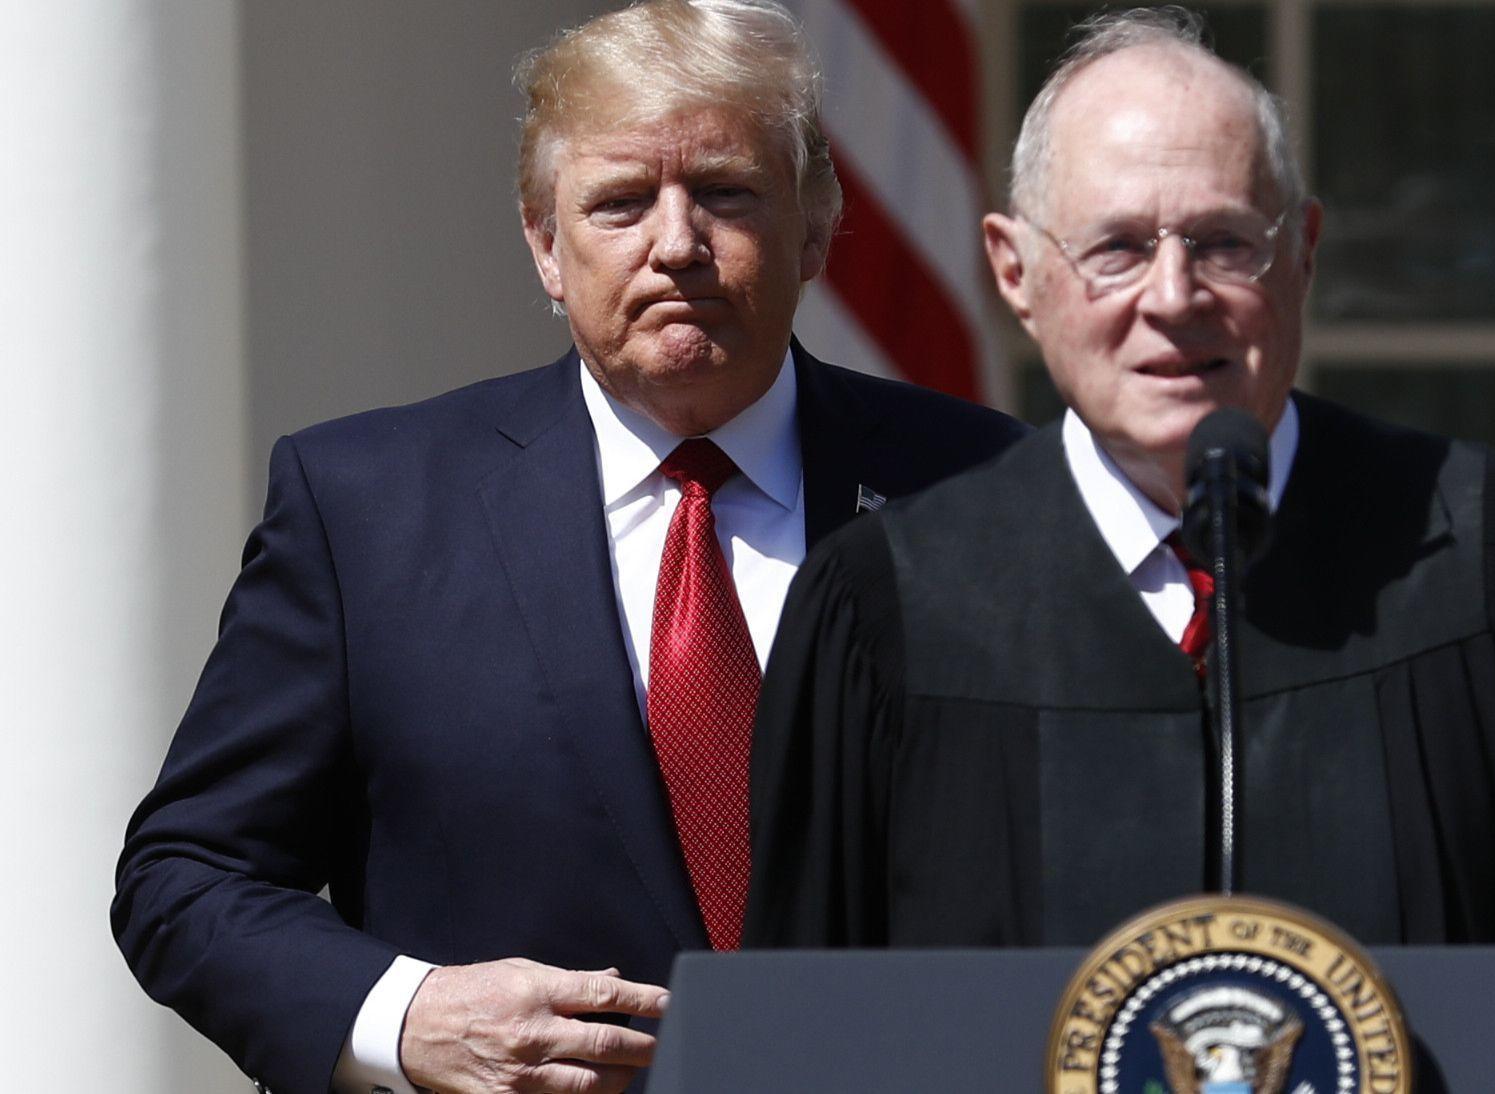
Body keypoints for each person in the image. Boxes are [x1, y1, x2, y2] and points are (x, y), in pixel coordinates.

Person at [111, 3, 1024, 1092]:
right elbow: (189, 873)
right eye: (620, 202)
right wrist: (407, 1013)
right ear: (546, 245)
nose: (676, 242)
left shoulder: (983, 487)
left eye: (725, 192)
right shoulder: (369, 507)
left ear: (817, 226)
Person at [744, 8, 1495, 953]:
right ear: (1016, 271)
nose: (1173, 297)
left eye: (1224, 242)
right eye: (1114, 248)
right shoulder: (889, 608)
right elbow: (813, 1030)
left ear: (1305, 253)